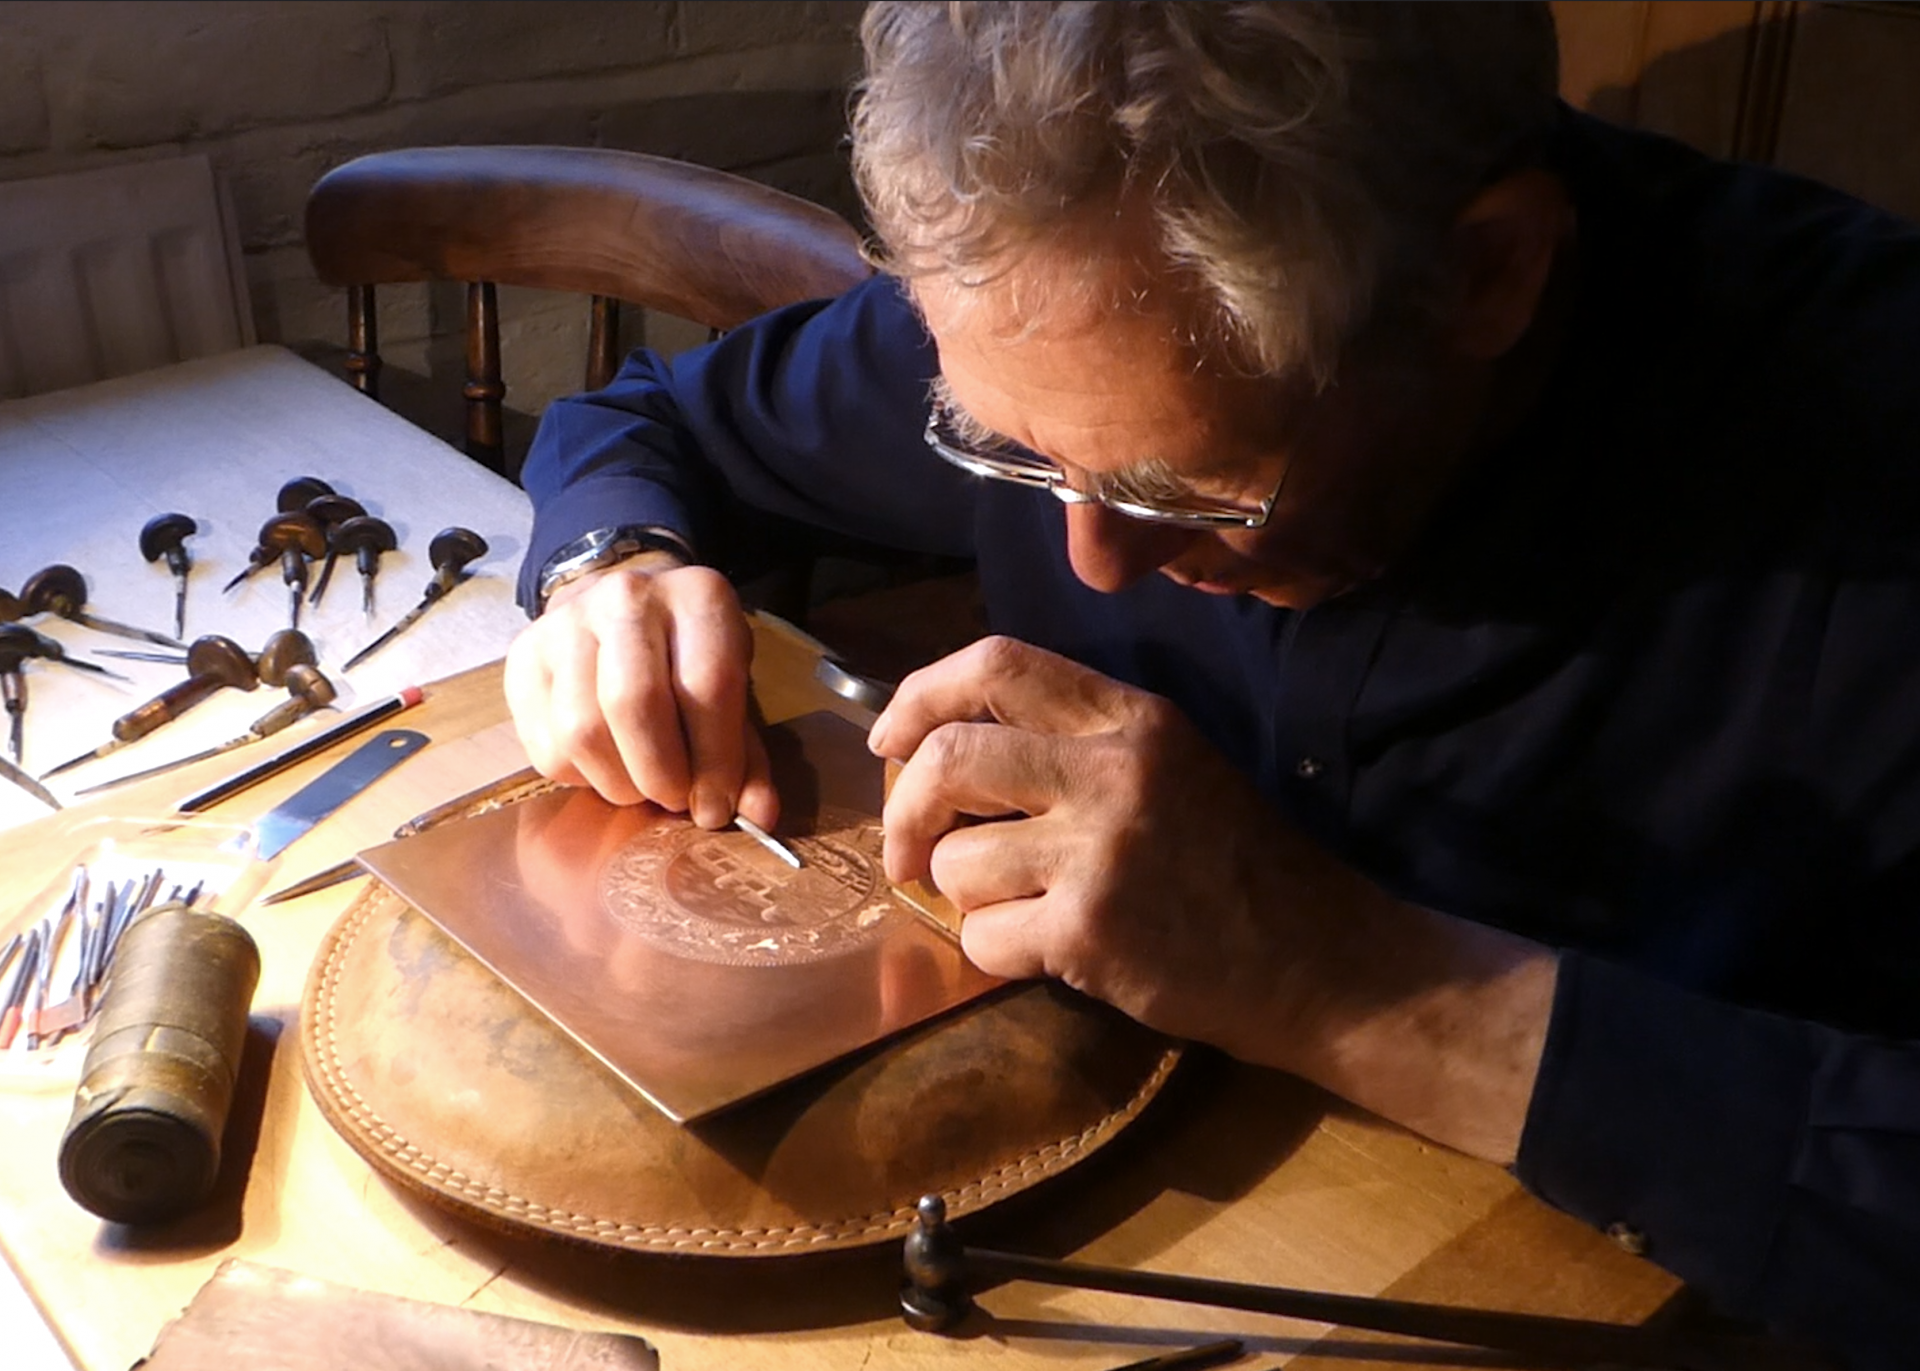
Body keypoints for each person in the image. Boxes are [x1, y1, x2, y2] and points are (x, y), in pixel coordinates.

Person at [504, 4, 1920, 1364]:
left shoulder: (1863, 450)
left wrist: (1346, 979)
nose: (1092, 557)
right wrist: (610, 569)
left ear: (1486, 275)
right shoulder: (1070, 294)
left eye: (1189, 485)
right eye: (1013, 452)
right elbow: (653, 425)